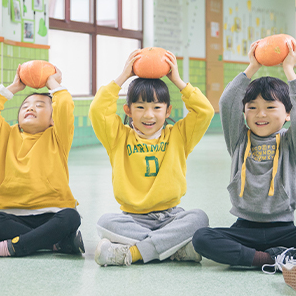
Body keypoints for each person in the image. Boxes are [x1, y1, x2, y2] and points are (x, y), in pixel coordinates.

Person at [191, 39, 296, 294]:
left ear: (287, 115)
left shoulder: (291, 143)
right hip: (244, 229)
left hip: (283, 230)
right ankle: (271, 259)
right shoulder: (239, 139)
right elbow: (228, 103)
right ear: (245, 113)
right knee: (202, 238)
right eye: (252, 108)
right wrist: (252, 67)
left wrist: (290, 70)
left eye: (270, 107)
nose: (260, 114)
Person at [89, 50, 214, 267]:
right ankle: (174, 249)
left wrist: (177, 80)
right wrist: (122, 78)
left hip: (171, 217)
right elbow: (98, 110)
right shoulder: (118, 137)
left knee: (199, 217)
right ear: (128, 110)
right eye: (140, 107)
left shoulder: (179, 135)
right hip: (132, 218)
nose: (149, 115)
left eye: (157, 108)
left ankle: (132, 253)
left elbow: (205, 111)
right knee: (105, 222)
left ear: (167, 111)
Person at [0, 66, 84, 258]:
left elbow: (65, 104)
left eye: (40, 105)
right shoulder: (7, 134)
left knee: (71, 217)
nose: (30, 108)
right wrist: (15, 87)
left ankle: (2, 248)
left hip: (51, 213)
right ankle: (54, 244)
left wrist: (53, 82)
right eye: (25, 106)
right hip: (12, 215)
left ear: (53, 119)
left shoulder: (58, 136)